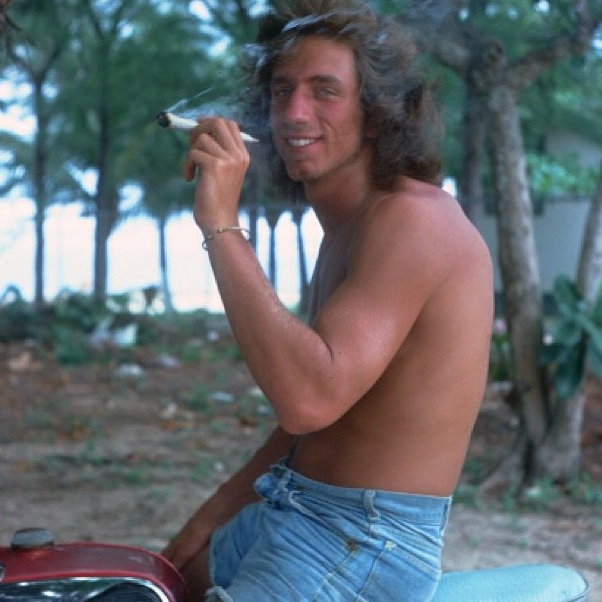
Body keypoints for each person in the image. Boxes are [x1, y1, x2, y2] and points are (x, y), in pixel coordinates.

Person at [162, 0, 493, 600]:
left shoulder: (413, 221)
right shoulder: (346, 229)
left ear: (377, 109)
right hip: (297, 506)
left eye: (325, 91)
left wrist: (219, 223)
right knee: (159, 583)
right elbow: (311, 432)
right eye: (281, 91)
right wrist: (202, 527)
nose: (294, 112)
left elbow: (308, 399)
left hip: (363, 539)